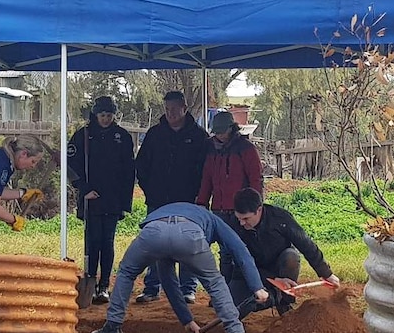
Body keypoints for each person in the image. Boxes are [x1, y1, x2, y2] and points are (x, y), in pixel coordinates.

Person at [90, 202, 269, 333]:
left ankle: (112, 327)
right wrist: (257, 287)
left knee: (127, 272)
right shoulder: (213, 219)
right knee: (214, 282)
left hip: (153, 232)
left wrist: (187, 320)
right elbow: (240, 250)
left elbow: (168, 281)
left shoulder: (167, 209)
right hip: (189, 235)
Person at [134, 91, 208, 305]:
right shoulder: (155, 134)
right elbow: (142, 165)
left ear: (184, 109)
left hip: (188, 202)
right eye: (167, 110)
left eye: (174, 109)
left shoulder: (199, 136)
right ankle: (152, 287)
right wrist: (150, 189)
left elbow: (206, 170)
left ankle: (188, 288)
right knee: (155, 242)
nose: (171, 114)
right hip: (158, 201)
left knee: (187, 243)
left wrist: (198, 196)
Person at [67, 96, 136, 305]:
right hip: (91, 198)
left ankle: (104, 285)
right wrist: (83, 189)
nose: (105, 119)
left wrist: (125, 202)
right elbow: (71, 164)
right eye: (102, 115)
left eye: (109, 115)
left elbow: (128, 171)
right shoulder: (83, 136)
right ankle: (90, 280)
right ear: (95, 115)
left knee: (108, 241)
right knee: (92, 241)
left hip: (113, 199)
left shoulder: (122, 136)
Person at [230, 187, 340, 316]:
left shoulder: (280, 218)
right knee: (235, 307)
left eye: (246, 219)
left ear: (259, 210)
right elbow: (239, 264)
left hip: (279, 264)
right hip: (250, 272)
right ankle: (273, 296)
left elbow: (305, 244)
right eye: (239, 218)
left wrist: (326, 273)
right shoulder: (234, 225)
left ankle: (284, 302)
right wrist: (273, 279)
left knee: (291, 256)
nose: (242, 223)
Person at [196, 111, 263, 281]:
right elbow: (207, 178)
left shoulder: (245, 148)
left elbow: (256, 177)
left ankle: (245, 287)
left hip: (240, 210)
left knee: (241, 249)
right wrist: (202, 202)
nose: (219, 135)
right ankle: (226, 290)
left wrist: (255, 205)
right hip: (219, 209)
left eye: (222, 132)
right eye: (216, 132)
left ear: (231, 129)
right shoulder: (211, 148)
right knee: (225, 252)